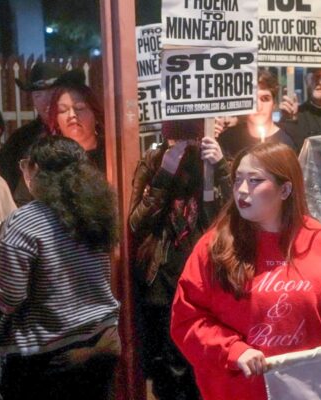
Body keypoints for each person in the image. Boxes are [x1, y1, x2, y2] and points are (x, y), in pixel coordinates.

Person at [170, 142, 321, 400]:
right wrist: (233, 350)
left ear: (285, 189)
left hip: (309, 390)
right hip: (241, 391)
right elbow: (186, 321)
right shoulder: (214, 246)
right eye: (238, 178)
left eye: (254, 180)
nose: (241, 190)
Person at [0, 136, 120, 399]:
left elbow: (9, 299)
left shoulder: (23, 222)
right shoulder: (95, 210)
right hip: (103, 341)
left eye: (25, 166)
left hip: (48, 356)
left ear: (38, 171)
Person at [128, 119, 230, 400]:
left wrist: (221, 168)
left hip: (205, 279)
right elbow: (136, 225)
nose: (185, 146)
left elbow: (235, 220)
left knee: (202, 363)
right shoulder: (153, 161)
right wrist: (163, 175)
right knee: (168, 367)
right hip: (162, 279)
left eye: (191, 137)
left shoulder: (212, 159)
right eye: (177, 137)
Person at [0, 63, 74, 205]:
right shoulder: (20, 139)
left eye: (52, 93)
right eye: (38, 96)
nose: (46, 102)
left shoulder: (80, 131)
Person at [218, 70, 297, 158]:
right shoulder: (228, 139)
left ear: (274, 104)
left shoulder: (286, 143)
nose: (258, 107)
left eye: (265, 99)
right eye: (252, 100)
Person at [46, 70, 105, 170]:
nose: (72, 115)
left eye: (80, 108)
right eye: (63, 110)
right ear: (56, 120)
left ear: (95, 114)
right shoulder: (50, 158)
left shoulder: (111, 152)